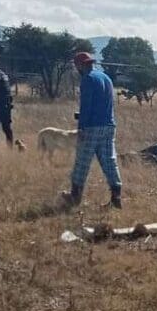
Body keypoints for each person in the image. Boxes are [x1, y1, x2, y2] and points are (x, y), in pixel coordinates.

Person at [61, 51, 123, 209]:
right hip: (109, 126)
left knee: (82, 161)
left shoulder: (87, 79)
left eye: (76, 66)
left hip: (92, 127)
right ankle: (116, 198)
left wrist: (81, 127)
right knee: (109, 161)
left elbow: (86, 106)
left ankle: (75, 197)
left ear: (80, 65)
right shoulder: (106, 77)